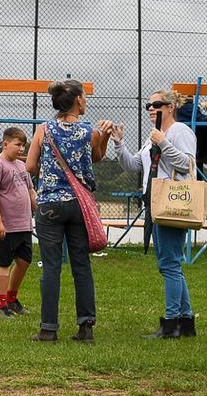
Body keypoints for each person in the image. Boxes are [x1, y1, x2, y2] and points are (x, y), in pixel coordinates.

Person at [25, 79, 113, 343]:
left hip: (50, 204)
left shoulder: (44, 129)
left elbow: (29, 165)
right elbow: (96, 157)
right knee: (81, 265)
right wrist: (105, 135)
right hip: (79, 205)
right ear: (76, 100)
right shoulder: (89, 131)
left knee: (51, 267)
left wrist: (50, 179)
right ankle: (86, 328)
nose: (86, 101)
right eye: (84, 97)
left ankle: (48, 329)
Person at [113, 90, 197, 338]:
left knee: (169, 264)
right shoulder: (152, 137)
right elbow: (134, 165)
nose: (150, 108)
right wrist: (119, 143)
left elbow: (186, 164)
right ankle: (185, 322)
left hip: (171, 203)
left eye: (156, 104)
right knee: (170, 264)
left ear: (171, 106)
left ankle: (171, 323)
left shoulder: (180, 132)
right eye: (148, 104)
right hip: (155, 204)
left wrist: (163, 142)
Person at [0, 127, 36, 318]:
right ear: (5, 144)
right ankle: (1, 305)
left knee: (24, 261)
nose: (21, 149)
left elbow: (30, 190)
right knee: (3, 263)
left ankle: (12, 299)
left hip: (24, 224)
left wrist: (37, 206)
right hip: (6, 225)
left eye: (23, 145)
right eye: (18, 144)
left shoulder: (22, 166)